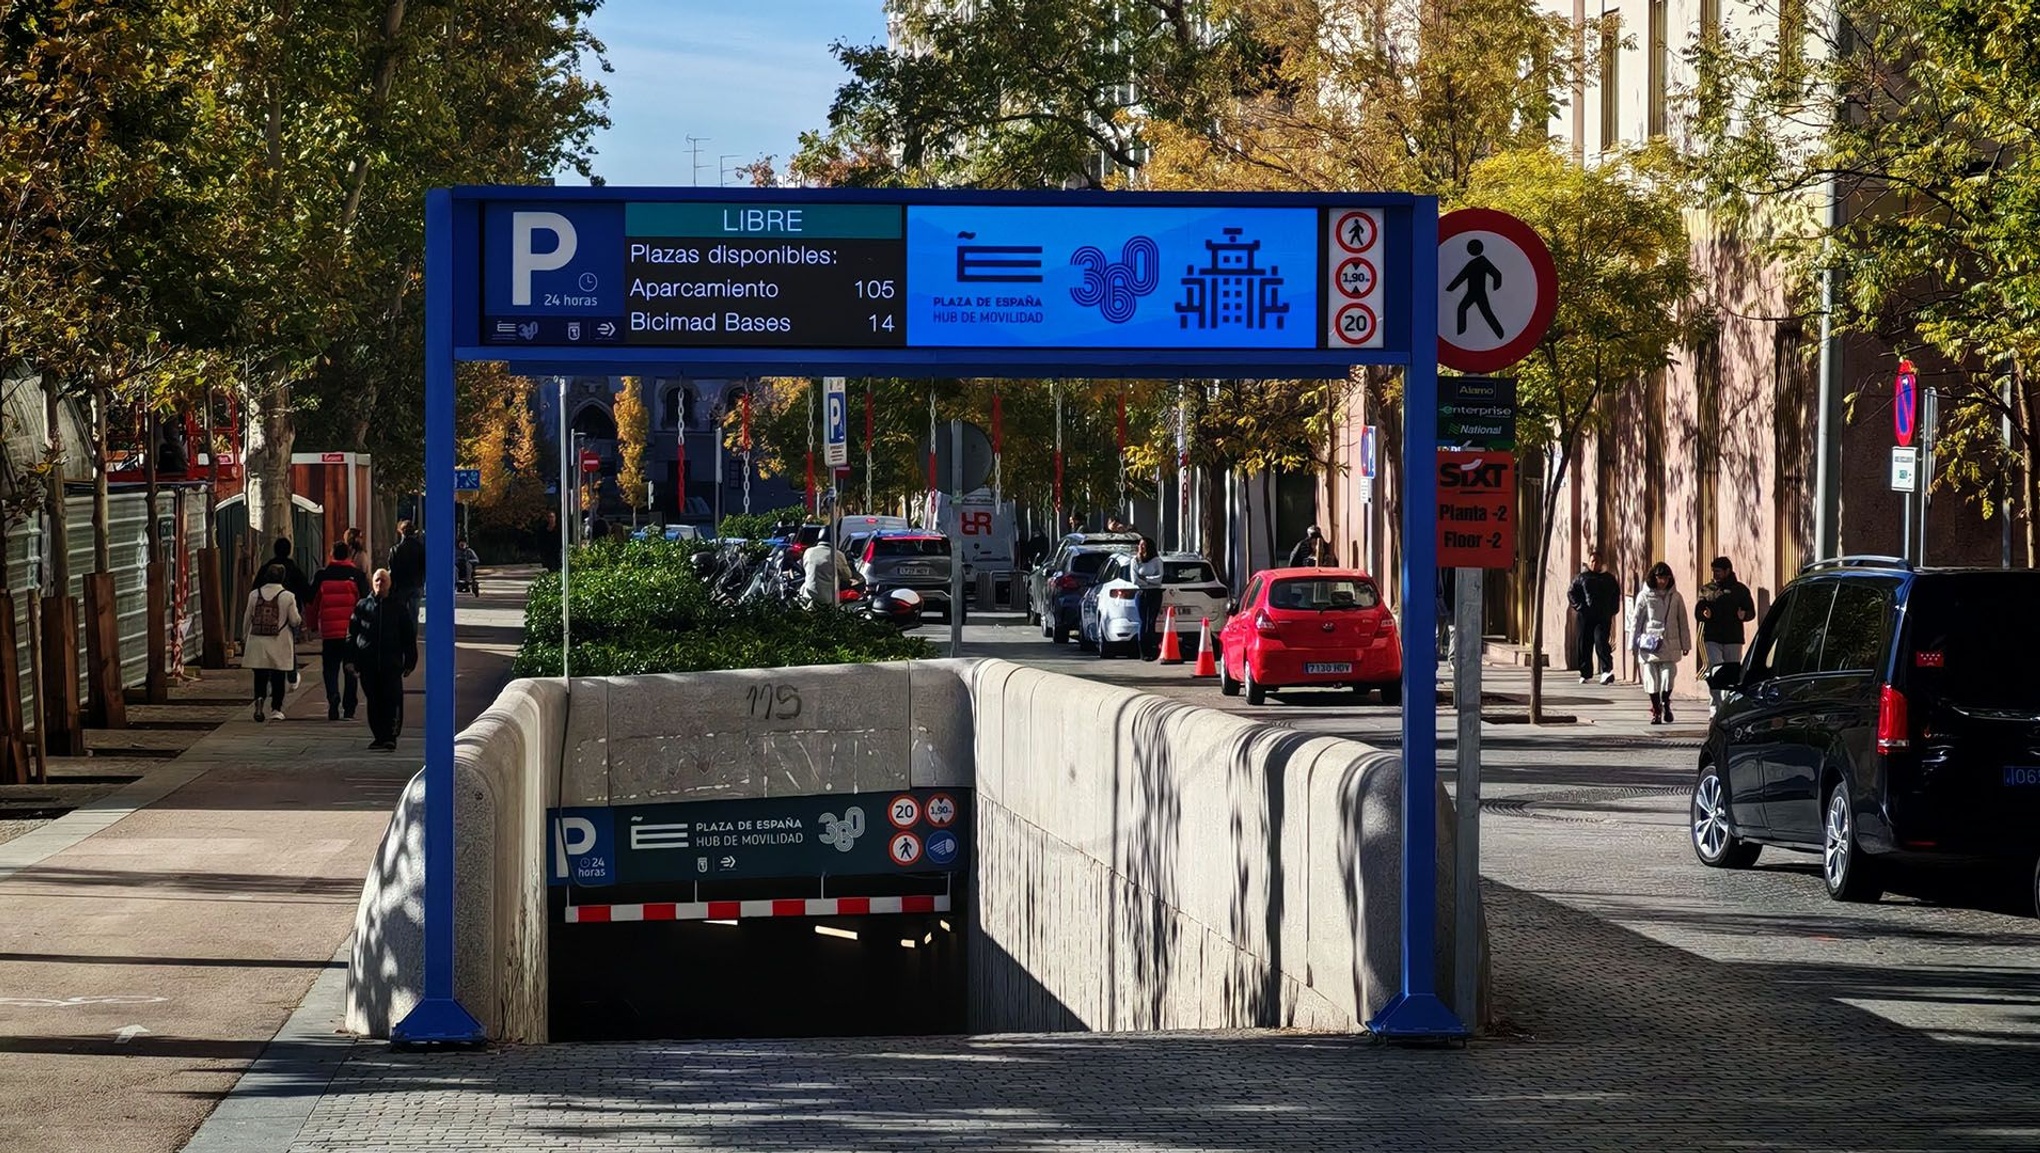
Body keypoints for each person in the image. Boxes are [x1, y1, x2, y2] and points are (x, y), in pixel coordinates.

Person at [347, 568, 416, 750]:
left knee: (392, 699)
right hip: (368, 664)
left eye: (383, 581)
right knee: (374, 700)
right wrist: (350, 659)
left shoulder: (399, 607)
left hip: (391, 664)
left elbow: (408, 636)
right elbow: (352, 634)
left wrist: (410, 660)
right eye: (377, 580)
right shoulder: (362, 606)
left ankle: (390, 736)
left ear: (389, 584)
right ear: (372, 583)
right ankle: (378, 736)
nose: (379, 584)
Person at [306, 542, 370, 721]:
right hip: (351, 632)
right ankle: (349, 708)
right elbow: (365, 603)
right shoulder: (357, 576)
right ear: (349, 556)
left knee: (330, 668)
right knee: (350, 669)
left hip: (329, 631)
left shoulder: (322, 575)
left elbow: (312, 603)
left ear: (331, 554)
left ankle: (333, 696)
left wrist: (311, 625)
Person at [1630, 561, 1693, 725]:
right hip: (1650, 644)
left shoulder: (1676, 597)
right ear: (1654, 577)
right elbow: (1636, 620)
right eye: (1659, 578)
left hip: (1671, 643)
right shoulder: (1644, 596)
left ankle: (1665, 701)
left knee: (1668, 676)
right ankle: (1656, 711)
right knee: (1651, 678)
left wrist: (1685, 644)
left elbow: (1683, 621)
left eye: (1665, 578)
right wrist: (1633, 644)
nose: (1662, 581)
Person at [241, 561, 303, 723]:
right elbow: (295, 620)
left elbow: (247, 618)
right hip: (279, 642)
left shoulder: (254, 594)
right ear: (282, 578)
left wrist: (244, 637)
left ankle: (259, 699)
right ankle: (276, 709)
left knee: (260, 676)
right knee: (278, 677)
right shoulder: (288, 596)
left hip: (257, 642)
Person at [1695, 555, 1757, 715]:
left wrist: (1744, 614)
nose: (1715, 574)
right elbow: (1698, 611)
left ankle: (1729, 707)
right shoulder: (1707, 589)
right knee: (1715, 669)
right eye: (1714, 571)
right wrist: (1704, 614)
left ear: (1727, 571)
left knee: (1732, 673)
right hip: (1712, 637)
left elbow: (1751, 612)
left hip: (1733, 637)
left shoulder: (1740, 590)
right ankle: (1716, 707)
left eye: (1718, 571)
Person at [1567, 547, 1623, 684]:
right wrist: (1580, 607)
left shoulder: (1609, 579)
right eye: (1592, 561)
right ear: (1589, 562)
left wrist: (1612, 610)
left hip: (1602, 617)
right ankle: (1585, 673)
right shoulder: (1581, 578)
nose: (1594, 564)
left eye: (1597, 561)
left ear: (1601, 563)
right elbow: (1571, 592)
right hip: (1585, 617)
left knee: (1601, 642)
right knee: (1584, 644)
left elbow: (1616, 595)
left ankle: (1606, 671)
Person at [1131, 537, 1165, 660]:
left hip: (1155, 593)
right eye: (1140, 545)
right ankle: (1143, 652)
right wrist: (1149, 580)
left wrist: (1145, 579)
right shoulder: (1135, 560)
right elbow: (1135, 579)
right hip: (1141, 593)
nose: (1141, 547)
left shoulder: (1157, 561)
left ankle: (1152, 650)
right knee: (1142, 621)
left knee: (1151, 622)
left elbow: (1159, 579)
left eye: (1144, 545)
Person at [388, 519, 426, 625]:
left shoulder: (396, 549)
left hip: (401, 586)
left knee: (400, 614)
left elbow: (392, 569)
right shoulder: (420, 548)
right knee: (414, 614)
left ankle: (402, 637)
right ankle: (412, 637)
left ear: (401, 532)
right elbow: (424, 566)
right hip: (416, 584)